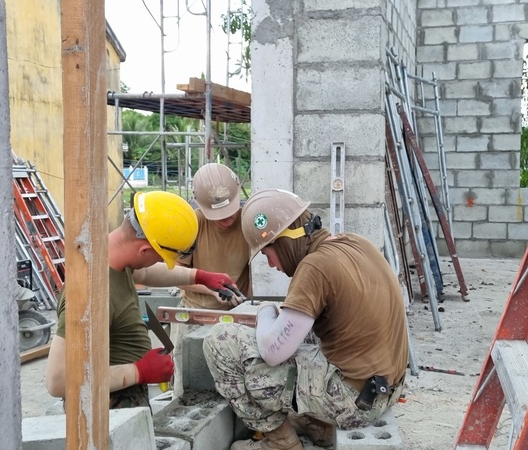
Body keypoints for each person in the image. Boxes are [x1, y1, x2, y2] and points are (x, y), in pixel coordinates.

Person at [203, 189, 409, 450]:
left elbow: (272, 352)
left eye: (267, 253)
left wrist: (266, 309)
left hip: (352, 401)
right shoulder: (355, 243)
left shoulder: (314, 267)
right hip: (381, 391)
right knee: (310, 333)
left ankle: (281, 442)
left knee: (221, 340)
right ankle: (318, 426)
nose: (270, 265)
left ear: (284, 240)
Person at [45, 190, 239, 409]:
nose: (161, 263)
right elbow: (58, 380)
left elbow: (145, 273)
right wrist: (137, 372)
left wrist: (200, 277)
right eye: (160, 257)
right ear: (144, 249)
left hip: (122, 399)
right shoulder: (91, 293)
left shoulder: (110, 258)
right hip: (106, 413)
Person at [177, 163, 252, 310]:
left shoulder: (248, 222)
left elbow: (256, 272)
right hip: (195, 309)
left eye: (229, 210)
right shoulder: (193, 224)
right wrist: (212, 289)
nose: (226, 218)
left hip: (237, 310)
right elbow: (176, 275)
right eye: (219, 215)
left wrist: (248, 305)